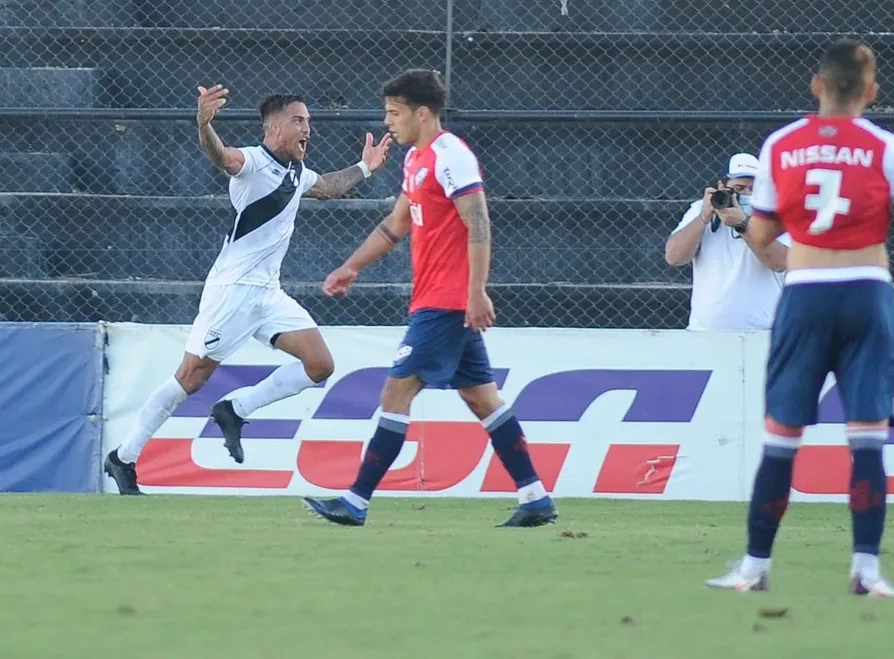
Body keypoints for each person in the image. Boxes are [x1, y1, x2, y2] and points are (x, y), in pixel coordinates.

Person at [704, 39, 894, 597]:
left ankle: (754, 568)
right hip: (866, 292)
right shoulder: (887, 146)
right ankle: (867, 569)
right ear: (872, 92)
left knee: (782, 437)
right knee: (866, 439)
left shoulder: (782, 145)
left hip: (806, 292)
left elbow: (760, 234)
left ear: (817, 86)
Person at [103, 85, 392, 495]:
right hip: (233, 291)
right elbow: (221, 157)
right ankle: (124, 457)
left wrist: (364, 168)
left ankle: (236, 409)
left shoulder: (297, 171)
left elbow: (327, 186)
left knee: (319, 365)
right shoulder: (253, 162)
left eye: (308, 121)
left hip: (268, 294)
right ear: (273, 128)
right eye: (299, 120)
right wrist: (204, 124)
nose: (308, 128)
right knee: (190, 377)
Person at [303, 68, 558, 528]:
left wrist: (476, 290)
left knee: (396, 390)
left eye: (394, 113)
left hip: (446, 302)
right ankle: (535, 497)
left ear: (423, 113)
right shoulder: (415, 159)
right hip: (439, 299)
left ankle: (356, 500)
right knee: (483, 399)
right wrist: (352, 266)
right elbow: (397, 223)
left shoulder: (450, 157)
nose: (388, 122)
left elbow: (478, 222)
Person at [665, 153, 791, 331]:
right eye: (739, 189)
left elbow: (780, 263)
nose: (747, 194)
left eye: (753, 189)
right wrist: (704, 217)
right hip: (706, 330)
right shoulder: (700, 209)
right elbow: (674, 257)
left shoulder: (774, 215)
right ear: (721, 187)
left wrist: (743, 224)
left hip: (762, 330)